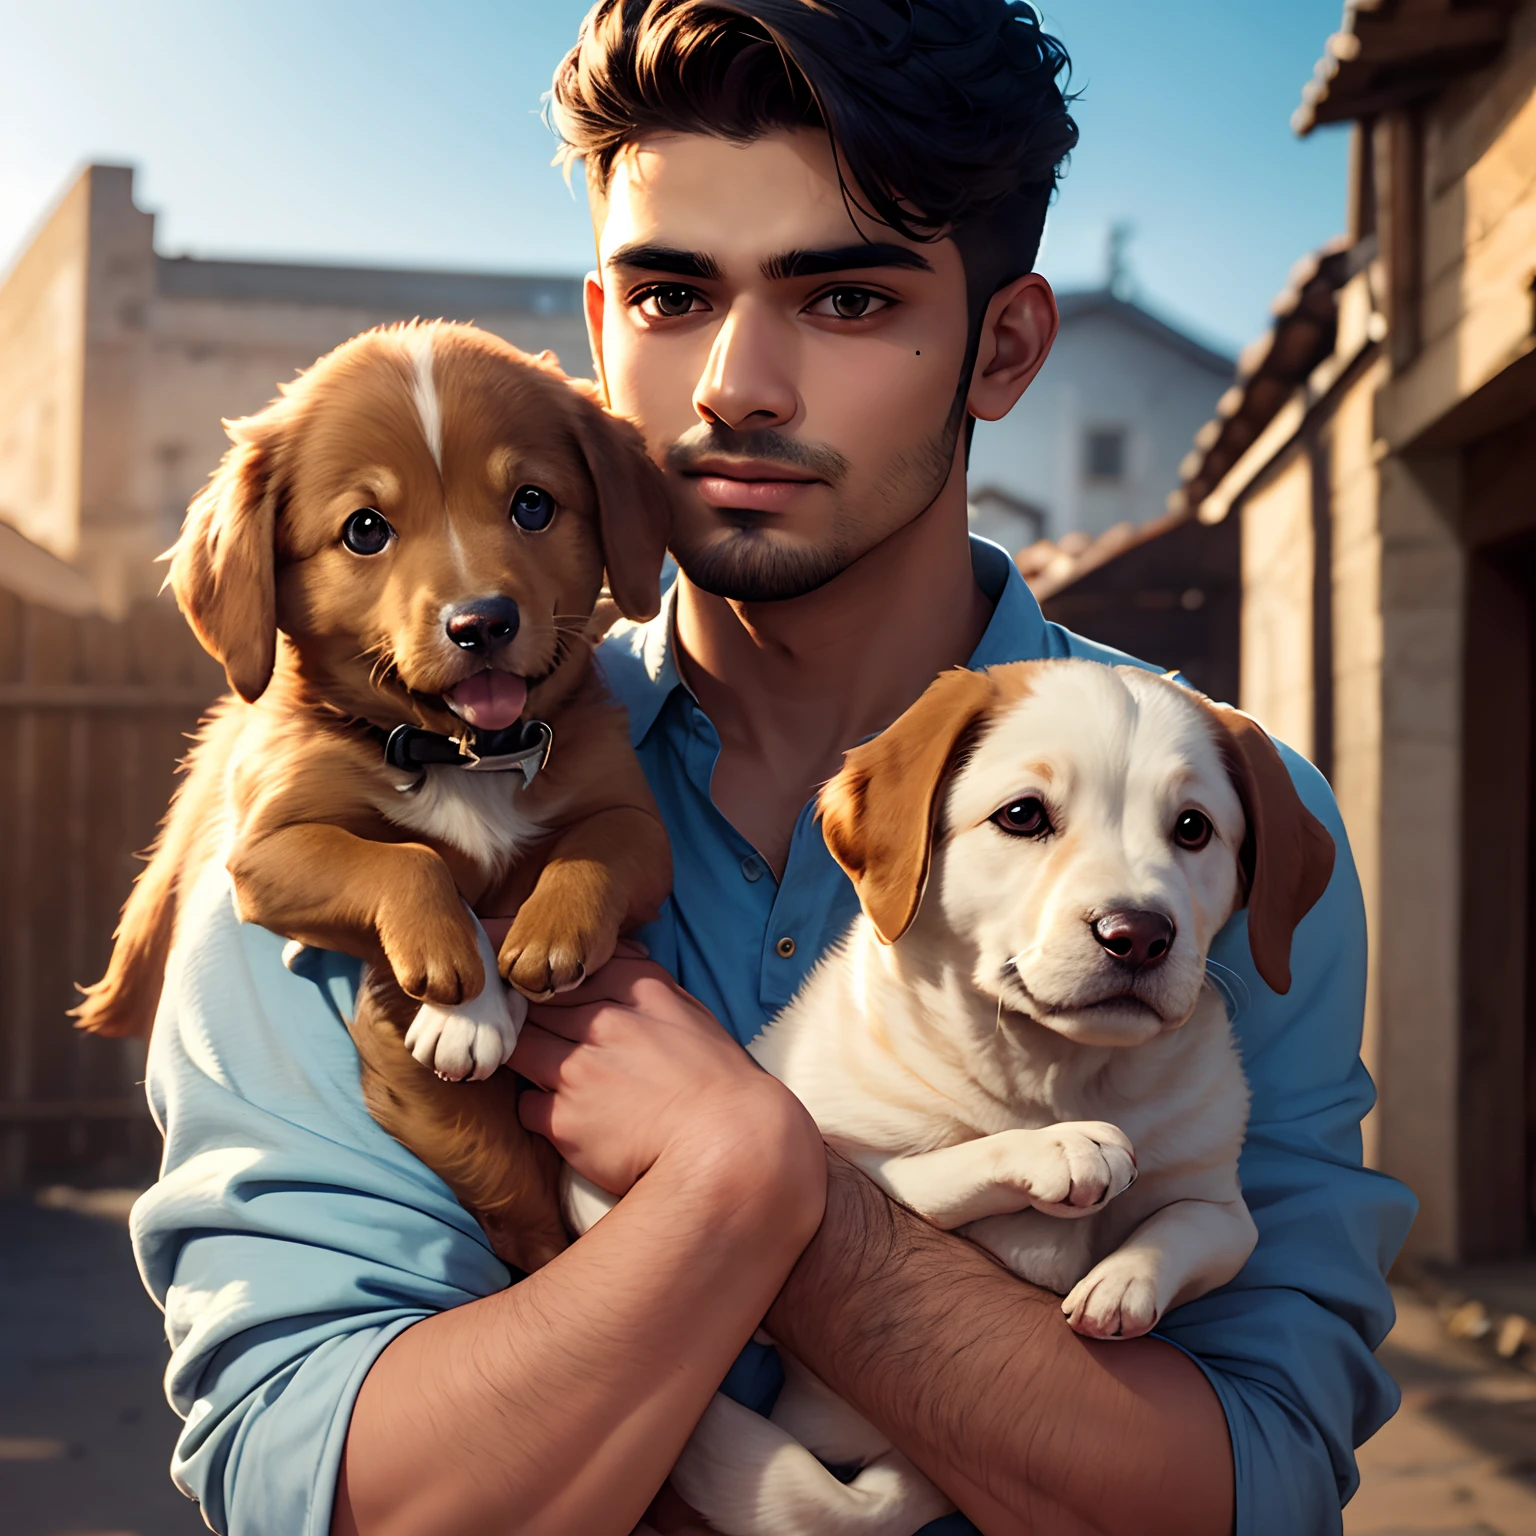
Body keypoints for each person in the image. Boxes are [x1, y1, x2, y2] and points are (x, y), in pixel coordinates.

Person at [130, 3, 1416, 1534]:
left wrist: (772, 1193)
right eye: (674, 294)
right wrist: (742, 1197)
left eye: (848, 300)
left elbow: (1249, 1488)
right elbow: (325, 1484)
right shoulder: (349, 814)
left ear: (1001, 347)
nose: (740, 383)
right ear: (607, 337)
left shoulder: (1214, 830)